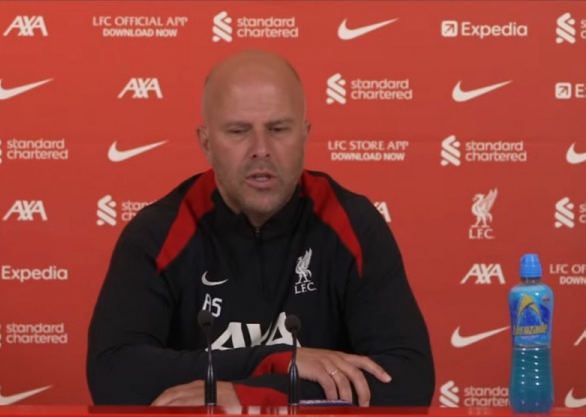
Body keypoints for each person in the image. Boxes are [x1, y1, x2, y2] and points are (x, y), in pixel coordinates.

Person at [86, 48, 435, 407]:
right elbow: (113, 375)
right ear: (206, 143)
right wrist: (275, 361)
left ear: (304, 135)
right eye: (238, 131)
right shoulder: (158, 233)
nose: (261, 149)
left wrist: (252, 395)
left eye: (278, 129)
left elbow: (409, 379)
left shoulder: (353, 223)